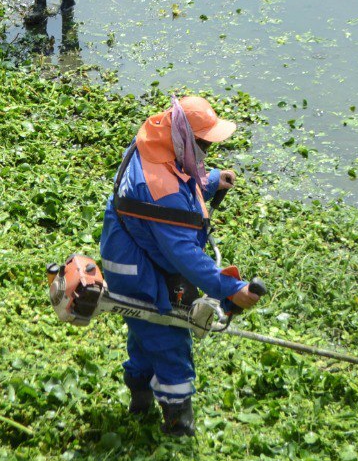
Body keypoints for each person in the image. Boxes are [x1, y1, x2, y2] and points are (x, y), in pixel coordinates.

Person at [99, 96, 261, 436]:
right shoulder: (162, 191)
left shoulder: (153, 140)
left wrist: (211, 180)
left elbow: (178, 176)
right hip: (139, 273)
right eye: (203, 144)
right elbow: (184, 255)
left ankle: (139, 401)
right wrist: (231, 289)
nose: (205, 150)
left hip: (126, 249)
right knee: (169, 337)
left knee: (144, 330)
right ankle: (178, 424)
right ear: (185, 138)